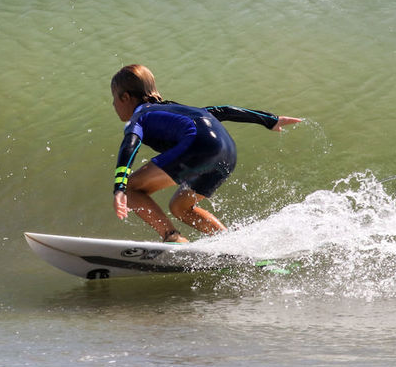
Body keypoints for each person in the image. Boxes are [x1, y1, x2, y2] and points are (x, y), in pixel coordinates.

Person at [110, 64, 303, 243]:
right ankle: (231, 245)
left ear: (125, 97)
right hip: (227, 152)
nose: (113, 105)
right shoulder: (178, 109)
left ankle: (172, 238)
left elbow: (130, 144)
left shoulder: (140, 116)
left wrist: (119, 187)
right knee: (180, 207)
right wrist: (270, 120)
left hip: (198, 145)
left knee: (131, 188)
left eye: (114, 98)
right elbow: (222, 111)